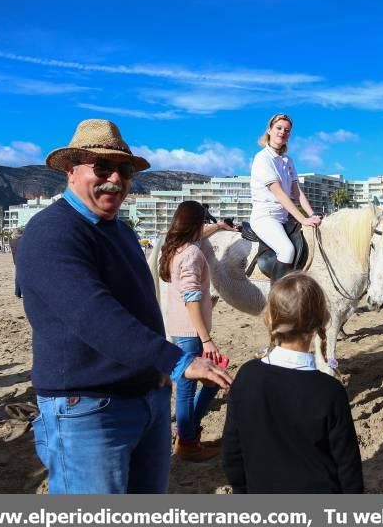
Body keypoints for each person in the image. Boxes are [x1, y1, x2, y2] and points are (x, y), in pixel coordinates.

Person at [16, 119, 232, 494]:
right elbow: (92, 314)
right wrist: (176, 361)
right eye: (102, 167)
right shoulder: (52, 231)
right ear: (71, 170)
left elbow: (140, 304)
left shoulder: (120, 231)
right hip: (87, 410)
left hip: (146, 399)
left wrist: (157, 372)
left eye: (125, 170)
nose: (115, 179)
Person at [222, 272, 363, 493]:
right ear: (320, 322)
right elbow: (348, 468)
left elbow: (232, 453)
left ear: (269, 318)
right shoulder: (330, 391)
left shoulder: (246, 376)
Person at [160, 200, 230, 462]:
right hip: (191, 332)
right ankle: (187, 443)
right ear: (195, 223)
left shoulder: (176, 248)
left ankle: (188, 433)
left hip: (182, 329)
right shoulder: (190, 254)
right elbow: (191, 298)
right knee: (189, 389)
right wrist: (207, 339)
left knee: (212, 380)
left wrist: (220, 227)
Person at [249, 114, 321, 283]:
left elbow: (297, 192)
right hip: (265, 217)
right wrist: (302, 219)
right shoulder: (262, 158)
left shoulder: (288, 160)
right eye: (279, 128)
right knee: (287, 250)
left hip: (283, 218)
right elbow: (280, 193)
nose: (282, 132)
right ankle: (276, 300)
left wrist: (312, 214)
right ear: (269, 130)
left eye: (287, 130)